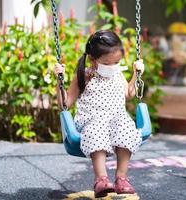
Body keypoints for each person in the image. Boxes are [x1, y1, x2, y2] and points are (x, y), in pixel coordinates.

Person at [53, 30, 144, 198]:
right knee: (98, 126)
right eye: (108, 63)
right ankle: (100, 179)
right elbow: (65, 103)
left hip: (115, 119)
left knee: (125, 124)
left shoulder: (117, 73)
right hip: (91, 122)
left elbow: (129, 93)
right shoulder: (85, 75)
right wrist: (59, 81)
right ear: (93, 60)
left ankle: (121, 178)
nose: (113, 67)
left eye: (116, 62)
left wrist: (136, 75)